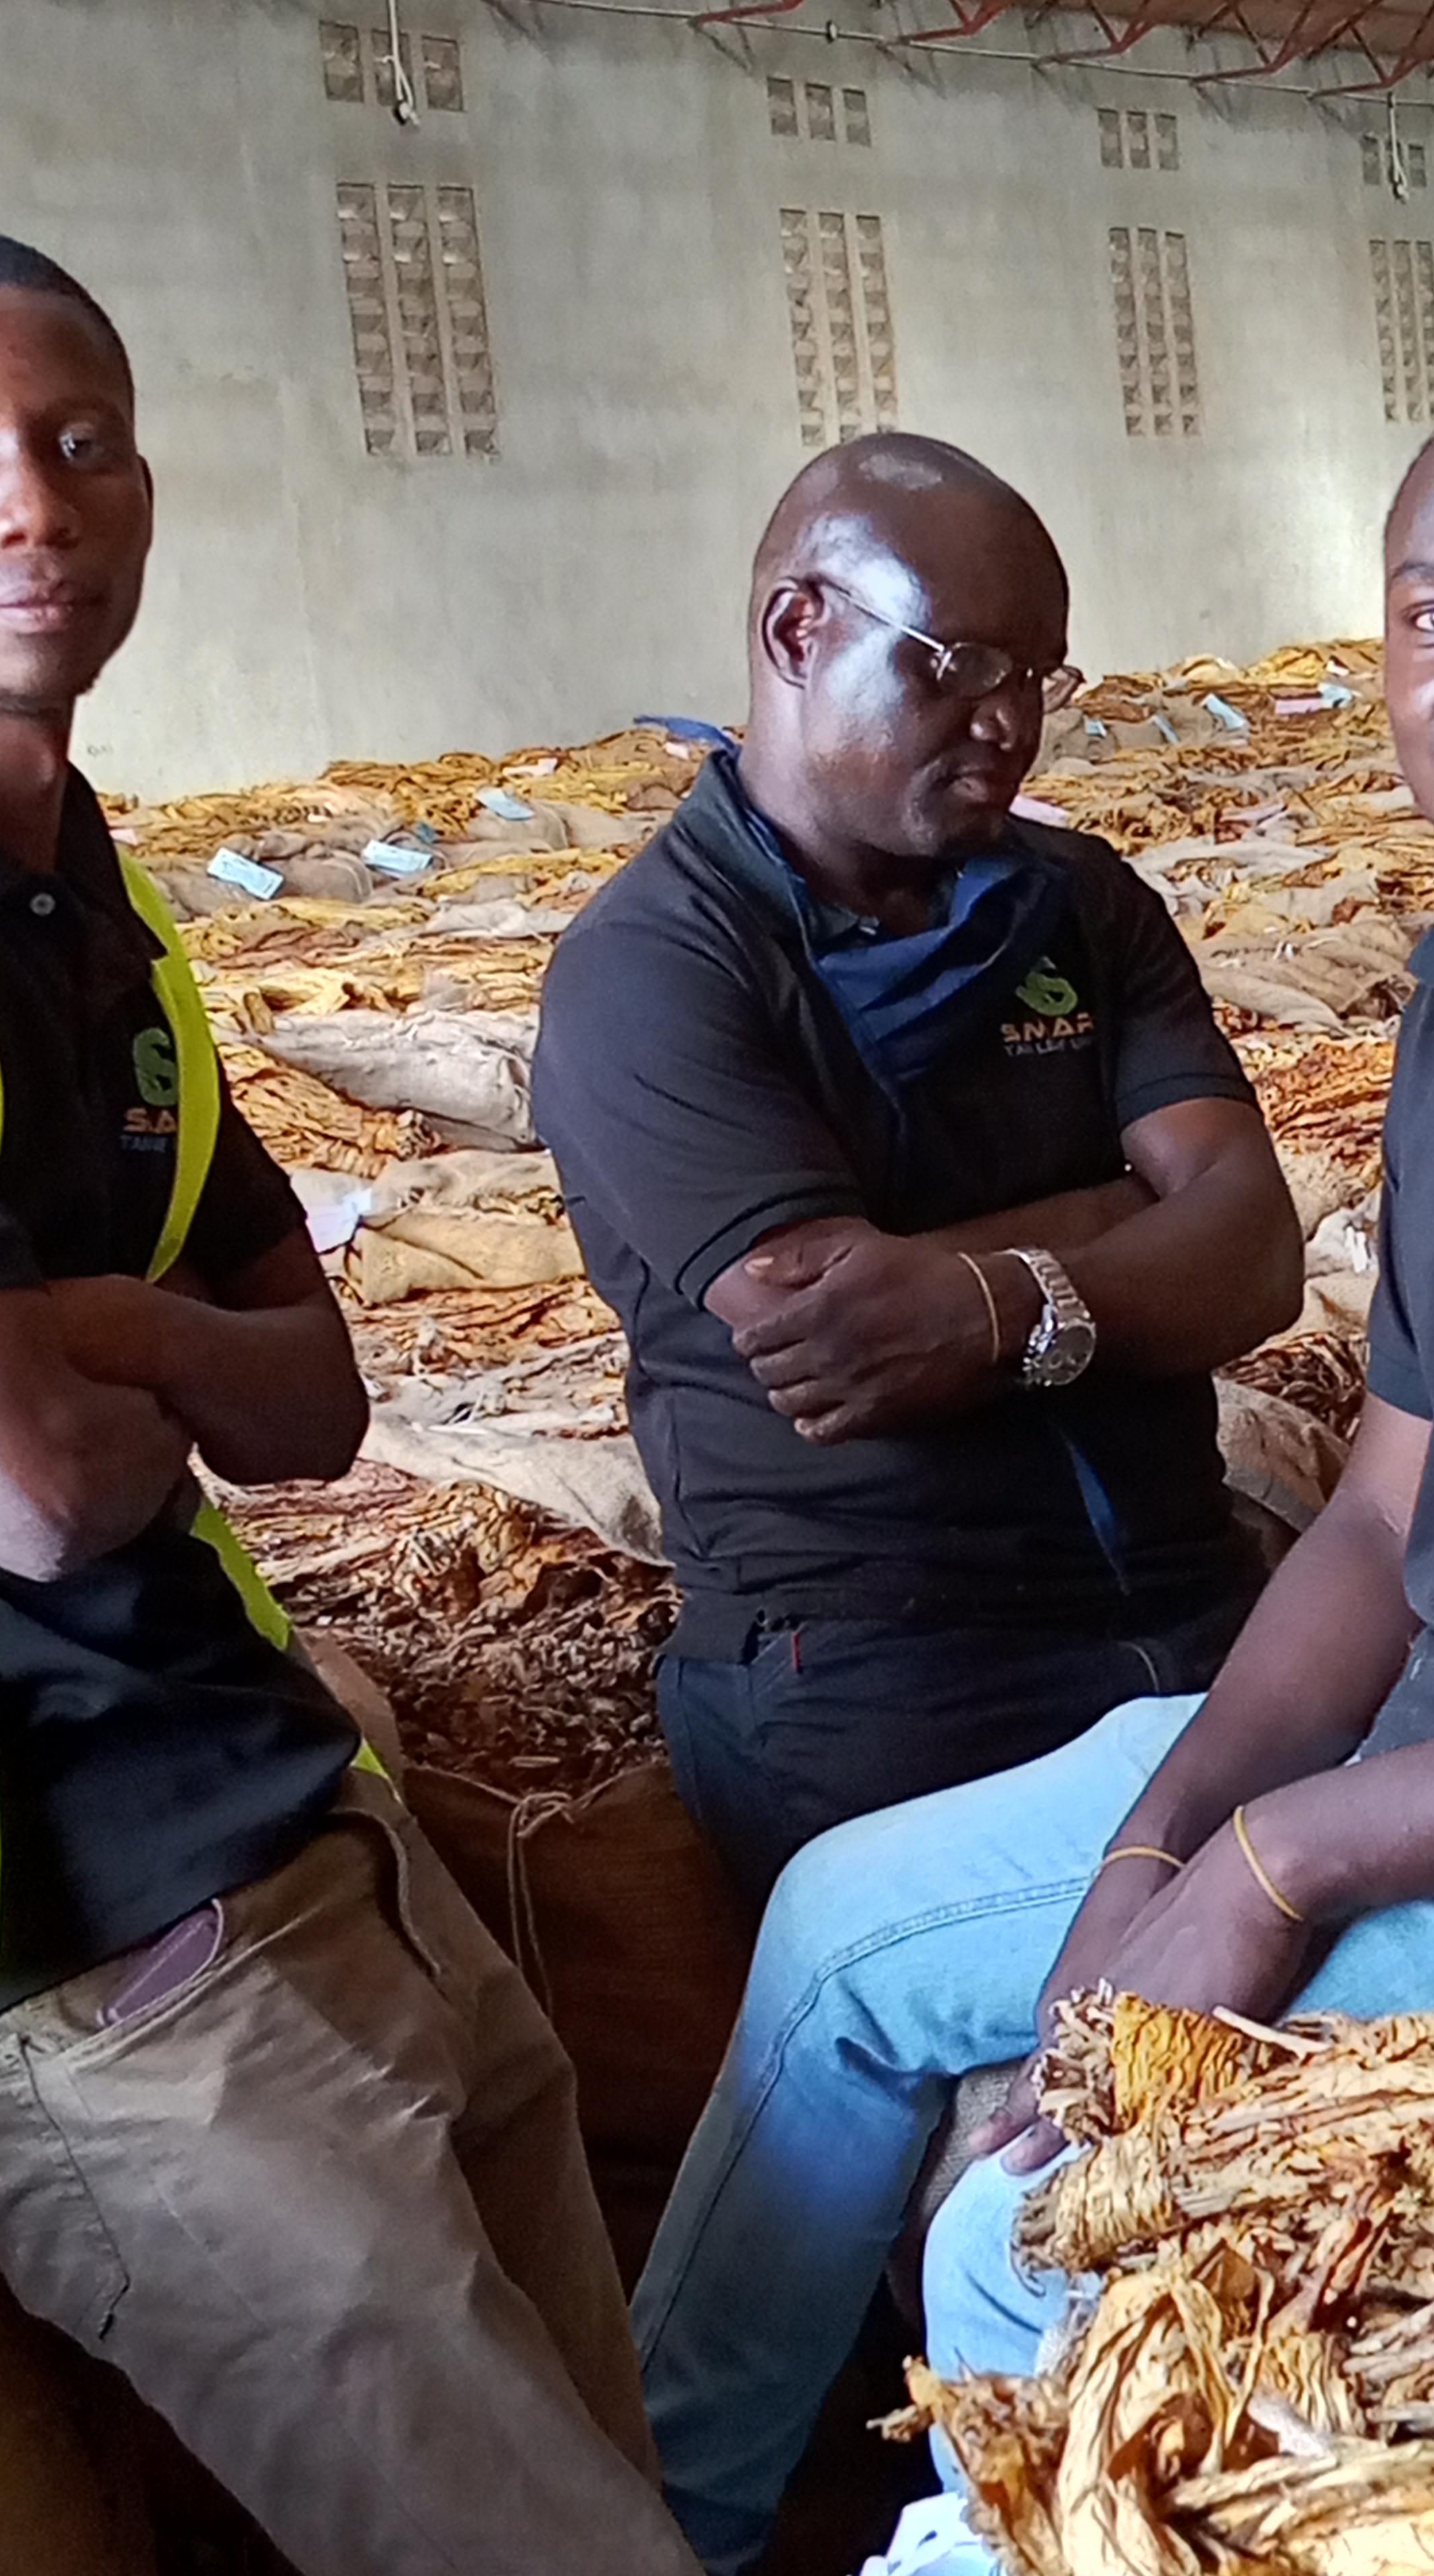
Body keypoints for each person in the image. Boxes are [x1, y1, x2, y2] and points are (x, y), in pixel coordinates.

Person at [0, 229, 746, 2576]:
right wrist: (110, 1377)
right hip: (81, 1957)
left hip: (311, 1829)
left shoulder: (94, 904)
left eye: (80, 443)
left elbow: (315, 1402)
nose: (28, 505)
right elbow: (43, 1507)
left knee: (631, 2561)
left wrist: (97, 1329)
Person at [629, 370, 1434, 2576]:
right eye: (1433, 614)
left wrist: (1275, 1860)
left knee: (1028, 2241)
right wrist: (1163, 1847)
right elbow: (1381, 1515)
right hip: (1425, 1745)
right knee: (843, 1934)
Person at [534, 436, 1301, 1904]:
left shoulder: (1081, 906)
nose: (1011, 722)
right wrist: (1128, 1214)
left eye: (1040, 676)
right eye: (962, 666)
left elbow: (1259, 1252)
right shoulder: (653, 968)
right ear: (798, 630)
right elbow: (840, 1336)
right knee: (1129, 1987)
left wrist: (983, 1298)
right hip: (878, 1658)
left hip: (1188, 1594)